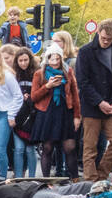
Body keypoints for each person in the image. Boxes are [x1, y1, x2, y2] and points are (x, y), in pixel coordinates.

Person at [75, 19, 112, 180]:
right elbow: (82, 81)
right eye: (103, 37)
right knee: (90, 147)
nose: (105, 41)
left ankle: (102, 175)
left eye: (109, 39)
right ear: (98, 32)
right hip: (92, 106)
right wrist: (99, 101)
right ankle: (90, 181)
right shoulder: (85, 51)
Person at [30, 44, 81, 178]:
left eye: (57, 59)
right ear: (47, 59)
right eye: (52, 59)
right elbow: (34, 96)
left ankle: (75, 179)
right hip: (46, 113)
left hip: (65, 112)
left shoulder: (68, 71)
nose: (55, 62)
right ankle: (46, 181)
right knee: (47, 148)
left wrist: (77, 116)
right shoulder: (39, 73)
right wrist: (48, 86)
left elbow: (75, 95)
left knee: (70, 147)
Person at [10, 48, 37, 178]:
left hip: (32, 116)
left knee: (30, 149)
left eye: (26, 60)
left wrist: (31, 97)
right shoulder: (14, 75)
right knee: (19, 149)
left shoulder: (36, 74)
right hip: (18, 115)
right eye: (20, 60)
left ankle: (32, 178)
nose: (23, 63)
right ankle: (19, 177)